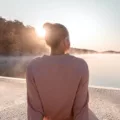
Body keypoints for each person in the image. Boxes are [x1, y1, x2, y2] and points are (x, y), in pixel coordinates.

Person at [26, 22, 89, 120]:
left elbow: (34, 110)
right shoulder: (81, 66)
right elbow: (80, 109)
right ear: (66, 41)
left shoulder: (33, 66)